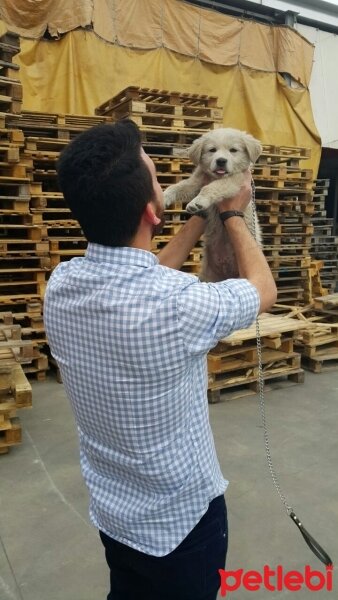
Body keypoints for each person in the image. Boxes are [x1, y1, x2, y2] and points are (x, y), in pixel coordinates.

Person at [44, 119, 277, 600]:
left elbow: (148, 271)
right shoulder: (182, 305)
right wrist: (232, 214)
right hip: (182, 521)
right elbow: (263, 289)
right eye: (156, 178)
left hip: (113, 509)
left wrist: (199, 208)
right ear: (153, 209)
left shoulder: (62, 286)